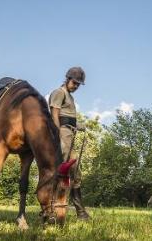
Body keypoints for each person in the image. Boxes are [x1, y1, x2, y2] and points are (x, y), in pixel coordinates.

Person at [48, 66, 89, 220]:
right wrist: (58, 136)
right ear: (67, 79)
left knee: (75, 171)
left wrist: (79, 126)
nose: (76, 86)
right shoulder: (59, 92)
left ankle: (80, 211)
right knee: (62, 171)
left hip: (70, 132)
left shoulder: (70, 97)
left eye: (79, 84)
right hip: (63, 134)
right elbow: (55, 115)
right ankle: (52, 210)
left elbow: (69, 118)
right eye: (74, 82)